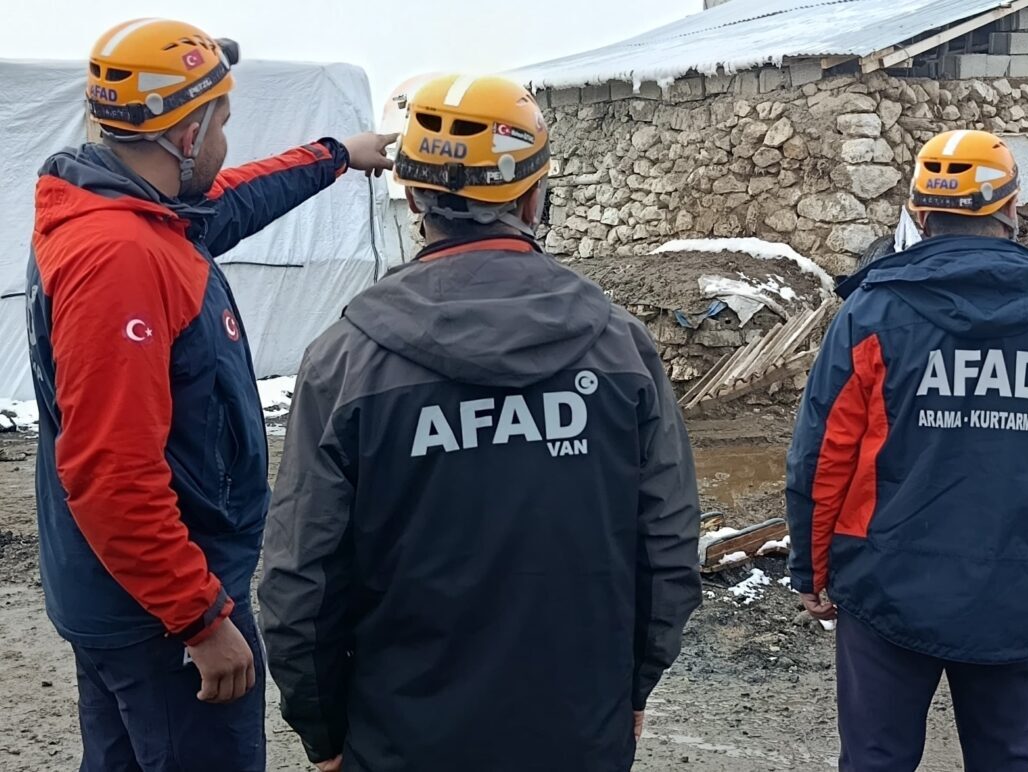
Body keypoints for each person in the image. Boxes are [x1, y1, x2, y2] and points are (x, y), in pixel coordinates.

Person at [258, 74, 702, 772]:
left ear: (412, 193)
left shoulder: (345, 360)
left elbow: (300, 578)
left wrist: (324, 730)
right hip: (577, 733)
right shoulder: (619, 346)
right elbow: (669, 548)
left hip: (402, 742)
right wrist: (632, 684)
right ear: (533, 194)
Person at [26, 19, 395, 772]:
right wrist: (199, 619)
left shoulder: (129, 212)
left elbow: (229, 201)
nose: (226, 141)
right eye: (223, 122)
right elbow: (109, 471)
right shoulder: (121, 259)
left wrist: (335, 157)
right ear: (186, 134)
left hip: (122, 592)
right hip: (157, 616)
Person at [787, 129, 1028, 771]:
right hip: (1019, 584)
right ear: (1010, 209)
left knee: (875, 761)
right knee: (1006, 760)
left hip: (885, 585)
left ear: (920, 213)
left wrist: (813, 570)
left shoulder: (873, 311)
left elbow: (822, 455)